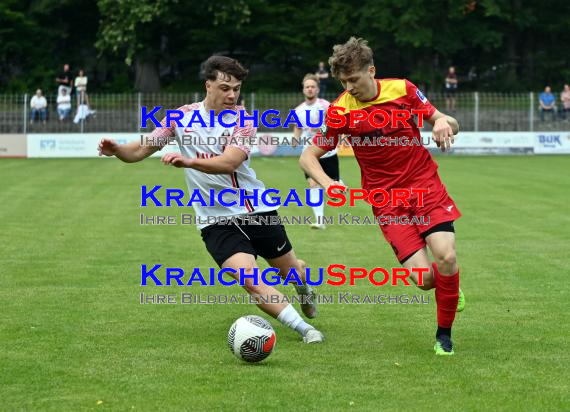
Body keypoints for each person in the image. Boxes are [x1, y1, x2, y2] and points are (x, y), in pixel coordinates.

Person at [98, 56, 324, 344]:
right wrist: (117, 149)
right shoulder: (180, 117)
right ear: (208, 85)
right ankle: (306, 330)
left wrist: (189, 162)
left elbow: (230, 162)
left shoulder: (243, 120)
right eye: (225, 87)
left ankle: (303, 287)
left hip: (256, 210)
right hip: (214, 221)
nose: (232, 95)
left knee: (290, 270)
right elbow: (141, 149)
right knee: (250, 280)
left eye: (237, 89)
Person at [300, 37, 465, 355]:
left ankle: (443, 336)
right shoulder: (340, 110)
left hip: (423, 185)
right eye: (343, 82)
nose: (349, 88)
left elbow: (448, 122)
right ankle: (451, 286)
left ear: (371, 71)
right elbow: (308, 156)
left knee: (446, 255)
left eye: (354, 80)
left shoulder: (403, 89)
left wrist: (443, 121)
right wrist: (327, 182)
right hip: (385, 200)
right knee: (425, 279)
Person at [293, 73, 339, 229]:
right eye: (307, 87)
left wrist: (321, 128)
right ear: (303, 90)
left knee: (334, 186)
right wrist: (295, 138)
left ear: (318, 89)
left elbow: (334, 123)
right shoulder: (298, 110)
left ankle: (338, 183)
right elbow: (298, 127)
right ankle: (320, 220)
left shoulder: (325, 105)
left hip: (327, 152)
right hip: (309, 153)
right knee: (313, 184)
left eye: (313, 86)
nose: (310, 89)